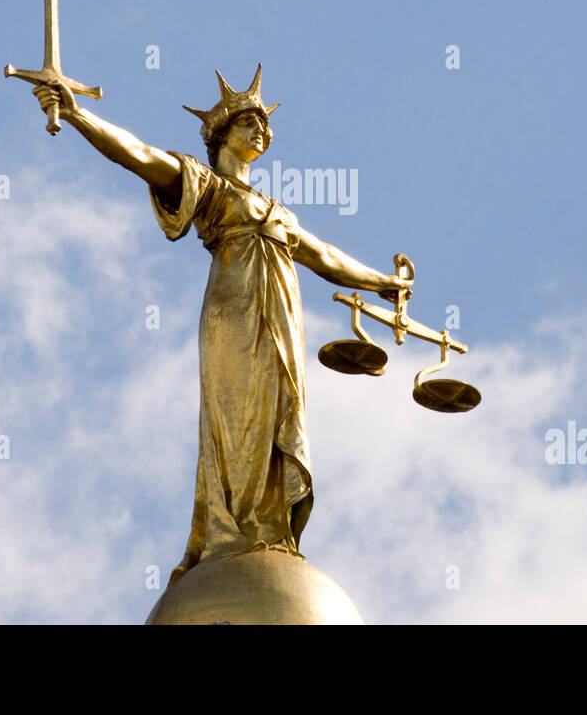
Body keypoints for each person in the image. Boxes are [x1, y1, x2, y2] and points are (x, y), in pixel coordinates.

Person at [33, 65, 410, 583]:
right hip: (232, 312)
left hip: (279, 318)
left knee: (281, 407)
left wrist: (380, 283)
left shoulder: (279, 213)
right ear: (220, 136)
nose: (260, 131)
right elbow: (139, 155)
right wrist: (78, 114)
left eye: (263, 125)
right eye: (247, 124)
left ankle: (267, 527)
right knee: (238, 418)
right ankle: (229, 529)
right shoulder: (208, 186)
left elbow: (323, 256)